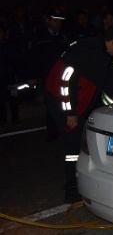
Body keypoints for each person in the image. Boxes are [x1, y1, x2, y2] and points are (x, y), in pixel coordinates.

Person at [44, 28, 113, 203]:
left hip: (73, 103)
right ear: (112, 43)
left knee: (77, 139)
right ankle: (71, 187)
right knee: (72, 146)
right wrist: (70, 112)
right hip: (62, 101)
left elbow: (94, 86)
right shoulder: (85, 50)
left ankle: (77, 179)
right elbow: (65, 82)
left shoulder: (99, 53)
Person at [28, 9, 70, 139]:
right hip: (46, 76)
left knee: (63, 103)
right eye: (55, 20)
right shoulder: (39, 36)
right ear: (48, 20)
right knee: (50, 104)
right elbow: (33, 57)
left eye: (60, 20)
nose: (58, 23)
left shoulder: (64, 36)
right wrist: (32, 75)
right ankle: (53, 133)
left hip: (63, 76)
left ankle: (64, 130)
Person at [0, 24, 21, 127]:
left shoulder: (10, 45)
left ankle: (15, 117)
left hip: (10, 76)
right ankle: (2, 118)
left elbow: (16, 60)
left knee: (13, 96)